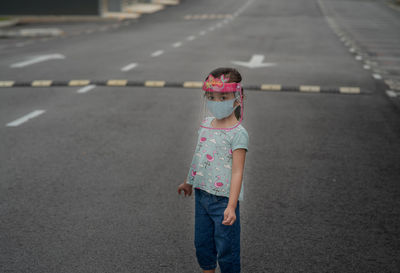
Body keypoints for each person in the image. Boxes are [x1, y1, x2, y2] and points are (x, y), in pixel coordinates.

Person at [177, 67, 249, 273]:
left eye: (223, 97)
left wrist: (232, 206)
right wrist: (189, 182)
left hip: (223, 201)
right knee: (203, 244)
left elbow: (237, 172)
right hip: (201, 195)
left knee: (227, 248)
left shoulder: (238, 134)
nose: (216, 102)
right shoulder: (206, 123)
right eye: (211, 97)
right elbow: (199, 155)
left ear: (237, 97)